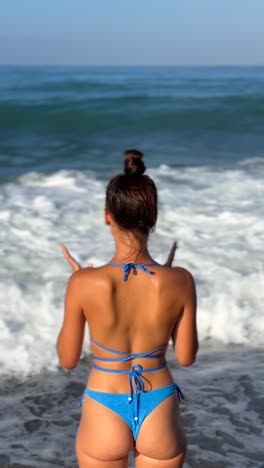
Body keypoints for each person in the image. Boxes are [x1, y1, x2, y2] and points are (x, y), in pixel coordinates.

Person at [57, 150, 198, 468]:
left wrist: (78, 281)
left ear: (108, 216)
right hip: (158, 407)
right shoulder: (181, 280)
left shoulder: (84, 283)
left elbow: (67, 359)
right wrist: (170, 279)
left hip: (104, 407)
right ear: (153, 218)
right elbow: (187, 358)